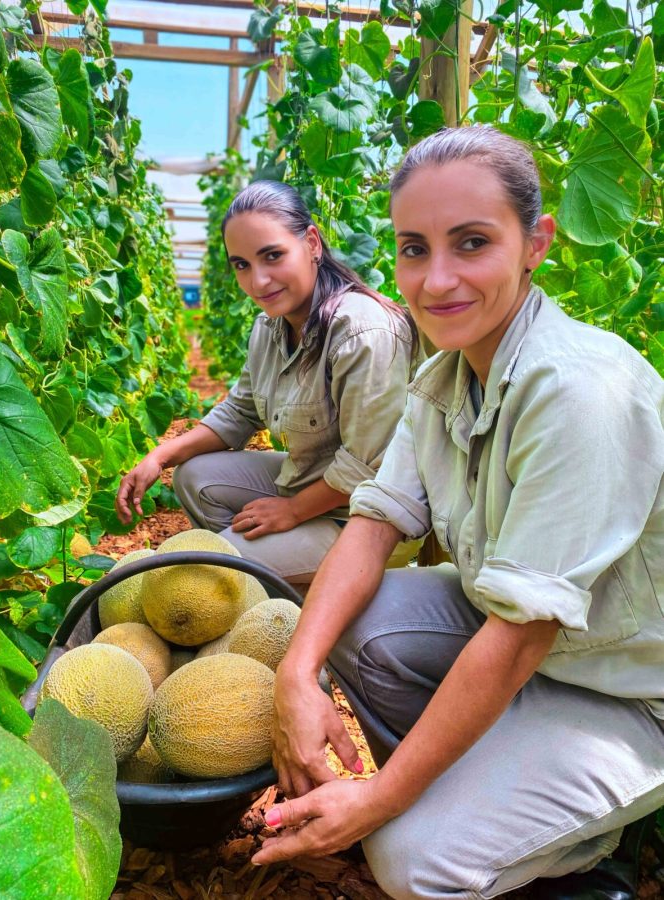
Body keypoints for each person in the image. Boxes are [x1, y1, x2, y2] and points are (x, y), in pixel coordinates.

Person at [252, 128, 664, 900]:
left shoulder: (580, 390)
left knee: (413, 861)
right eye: (414, 248)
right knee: (351, 620)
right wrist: (296, 676)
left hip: (629, 691)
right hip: (525, 651)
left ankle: (584, 836)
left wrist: (378, 800)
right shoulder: (444, 375)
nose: (435, 280)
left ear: (535, 242)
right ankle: (482, 777)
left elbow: (518, 638)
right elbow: (372, 524)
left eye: (470, 242)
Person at [116, 181, 419, 584]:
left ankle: (302, 590)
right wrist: (159, 457)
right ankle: (279, 578)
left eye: (272, 256)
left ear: (311, 243)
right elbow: (241, 410)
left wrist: (291, 513)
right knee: (194, 476)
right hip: (311, 484)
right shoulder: (270, 326)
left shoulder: (363, 331)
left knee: (212, 571)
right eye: (241, 264)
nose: (258, 281)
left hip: (373, 519)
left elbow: (369, 467)